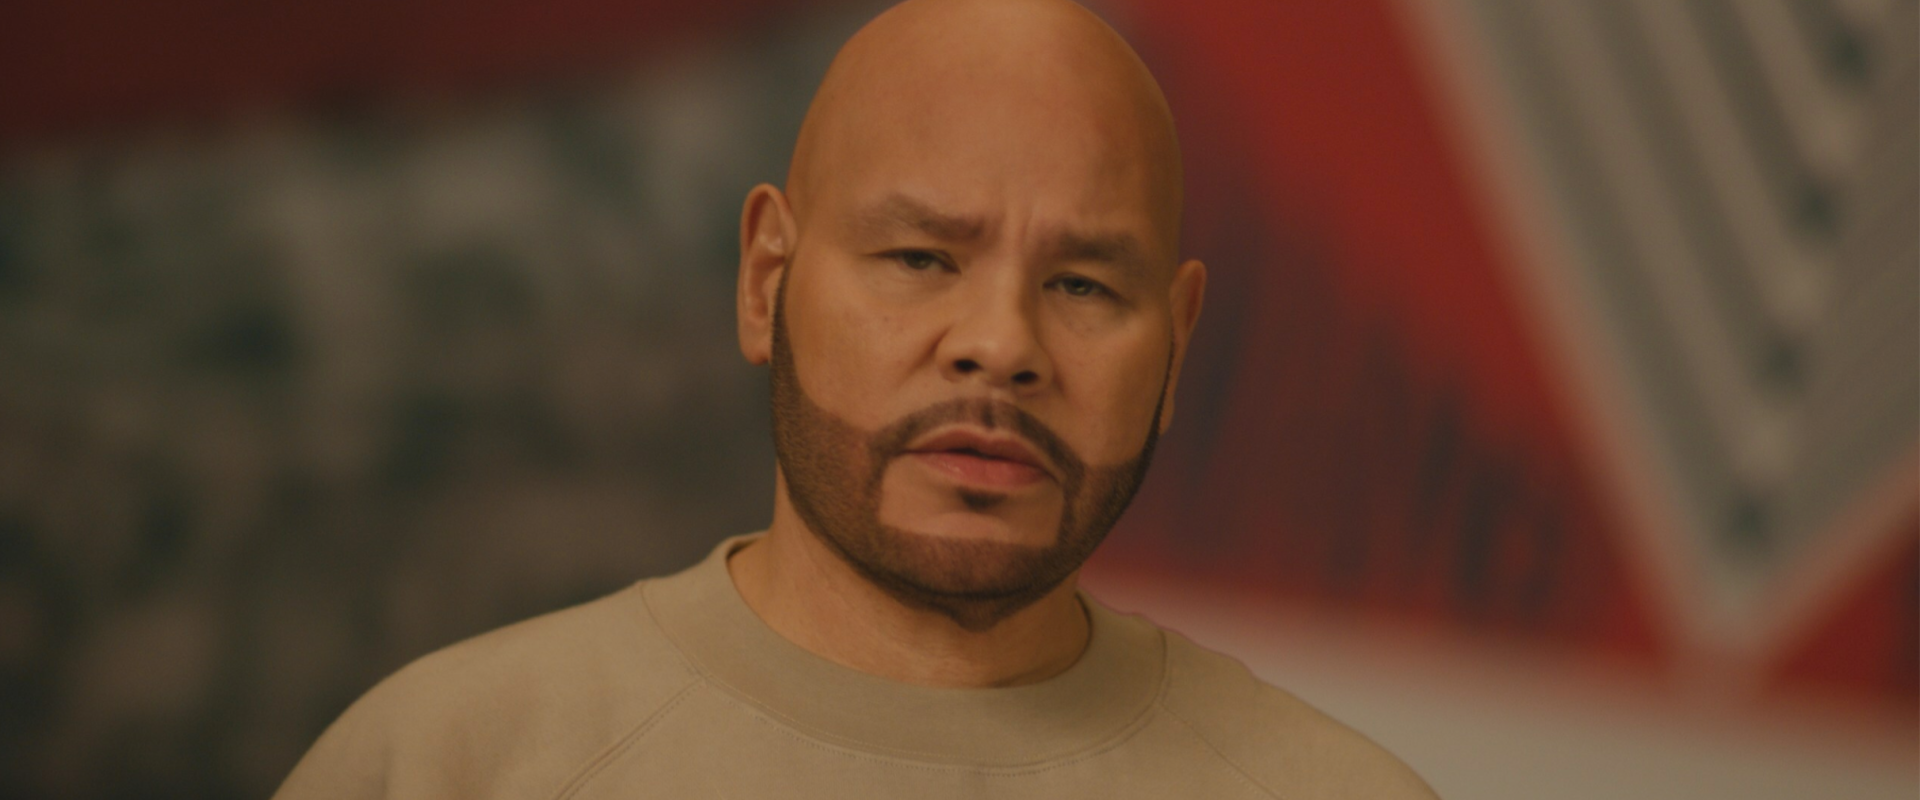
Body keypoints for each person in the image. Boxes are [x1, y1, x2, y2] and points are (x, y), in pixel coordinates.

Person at [274, 0, 1439, 796]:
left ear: (1176, 346)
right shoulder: (452, 765)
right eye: (921, 258)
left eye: (1083, 284)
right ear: (764, 278)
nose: (1000, 346)